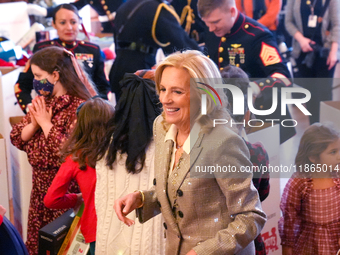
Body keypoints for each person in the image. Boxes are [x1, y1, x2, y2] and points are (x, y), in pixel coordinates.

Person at [114, 50, 266, 255]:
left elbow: (251, 216)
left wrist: (203, 251)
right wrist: (142, 198)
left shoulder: (223, 141)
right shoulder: (162, 126)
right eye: (162, 89)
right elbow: (182, 189)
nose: (165, 99)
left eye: (177, 91)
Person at [10, 46, 96, 255]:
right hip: (39, 192)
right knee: (40, 245)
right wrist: (35, 124)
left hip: (66, 193)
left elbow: (68, 154)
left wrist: (47, 125)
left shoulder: (81, 107)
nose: (35, 81)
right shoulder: (42, 102)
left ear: (55, 75)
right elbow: (16, 137)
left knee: (64, 246)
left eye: (39, 76)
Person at [95, 72, 165, 255]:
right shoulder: (164, 143)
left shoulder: (108, 143)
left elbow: (100, 198)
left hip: (109, 237)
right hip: (150, 240)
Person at [44, 97, 114, 255]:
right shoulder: (119, 154)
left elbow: (51, 199)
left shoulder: (76, 158)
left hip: (94, 228)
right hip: (122, 224)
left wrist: (77, 198)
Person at [15, 4, 110, 114]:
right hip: (50, 115)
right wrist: (31, 110)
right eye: (62, 22)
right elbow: (21, 86)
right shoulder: (43, 49)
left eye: (73, 22)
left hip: (86, 116)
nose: (69, 27)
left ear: (80, 22)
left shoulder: (92, 50)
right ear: (53, 24)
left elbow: (104, 89)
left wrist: (98, 112)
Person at [109, 0, 200, 102]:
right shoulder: (159, 9)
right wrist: (203, 54)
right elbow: (181, 44)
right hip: (141, 72)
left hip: (118, 70)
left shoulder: (126, 5)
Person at [221, 65, 270, 255]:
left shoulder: (196, 149)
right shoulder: (256, 153)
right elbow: (262, 193)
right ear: (247, 113)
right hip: (247, 240)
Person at [279, 123, 340, 254]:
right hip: (310, 243)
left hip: (336, 239)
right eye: (333, 152)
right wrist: (287, 246)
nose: (339, 156)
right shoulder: (300, 182)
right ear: (313, 157)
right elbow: (289, 216)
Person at [284, 0, 340, 124]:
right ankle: (315, 128)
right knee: (310, 95)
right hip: (302, 52)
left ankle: (328, 130)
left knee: (324, 94)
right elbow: (288, 22)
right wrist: (301, 40)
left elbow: (337, 24)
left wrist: (334, 51)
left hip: (325, 52)